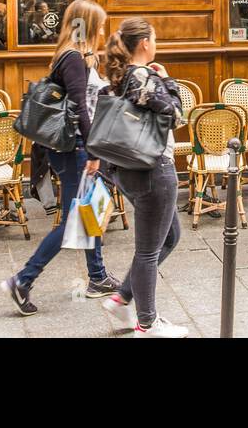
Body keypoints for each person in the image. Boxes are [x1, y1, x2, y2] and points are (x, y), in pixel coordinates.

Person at [3, 0, 119, 316]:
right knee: (73, 219)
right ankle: (22, 280)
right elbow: (81, 107)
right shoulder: (73, 59)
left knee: (93, 207)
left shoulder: (78, 56)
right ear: (89, 25)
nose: (104, 30)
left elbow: (87, 100)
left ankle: (97, 276)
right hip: (77, 150)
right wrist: (93, 152)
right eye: (101, 24)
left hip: (76, 148)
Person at [95, 18, 187, 338]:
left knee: (171, 235)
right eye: (155, 38)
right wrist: (168, 80)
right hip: (153, 169)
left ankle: (123, 297)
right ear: (145, 43)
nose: (157, 43)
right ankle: (147, 324)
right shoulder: (142, 76)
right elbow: (176, 114)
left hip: (128, 169)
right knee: (148, 251)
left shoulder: (121, 76)